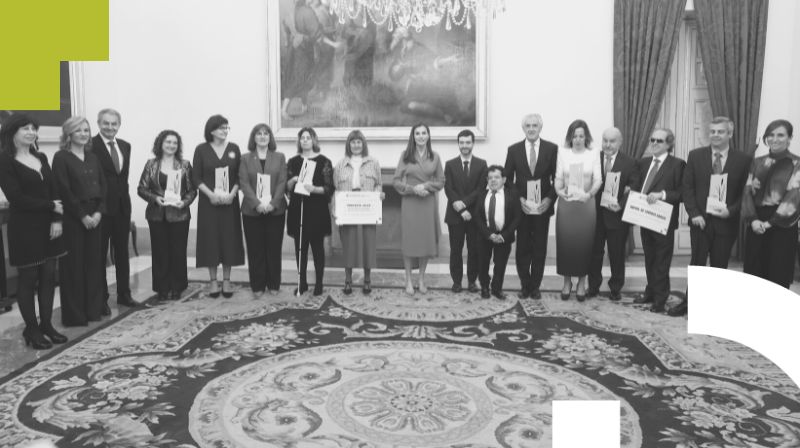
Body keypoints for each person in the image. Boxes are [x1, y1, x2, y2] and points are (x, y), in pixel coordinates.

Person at [672, 117, 751, 316]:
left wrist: (731, 211)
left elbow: (746, 192)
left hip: (725, 222)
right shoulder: (696, 155)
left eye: (720, 132)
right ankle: (689, 303)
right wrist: (694, 214)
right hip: (700, 222)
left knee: (719, 265)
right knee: (697, 264)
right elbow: (687, 187)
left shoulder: (743, 160)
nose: (715, 135)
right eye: (713, 131)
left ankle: (712, 311)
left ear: (730, 134)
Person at [0, 114, 67, 349]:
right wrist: (50, 206)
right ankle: (32, 329)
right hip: (25, 228)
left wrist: (57, 219)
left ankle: (47, 324)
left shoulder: (41, 156)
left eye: (33, 129)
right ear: (12, 132)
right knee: (29, 279)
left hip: (50, 227)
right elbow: (16, 198)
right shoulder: (5, 161)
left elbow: (54, 189)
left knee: (49, 277)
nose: (31, 132)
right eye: (25, 128)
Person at [52, 116, 107, 326]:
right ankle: (76, 316)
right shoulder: (61, 157)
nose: (84, 134)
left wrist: (99, 213)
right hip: (74, 218)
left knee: (93, 265)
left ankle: (93, 311)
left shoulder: (93, 157)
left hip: (96, 215)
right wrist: (82, 215)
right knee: (74, 267)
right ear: (69, 134)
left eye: (86, 130)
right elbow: (63, 190)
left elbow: (103, 187)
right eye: (79, 130)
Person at [137, 130, 197, 301]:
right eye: (168, 142)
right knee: (160, 252)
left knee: (178, 252)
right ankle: (162, 288)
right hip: (157, 215)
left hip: (179, 215)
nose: (171, 145)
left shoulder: (184, 165)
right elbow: (141, 189)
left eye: (174, 143)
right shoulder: (151, 164)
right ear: (160, 144)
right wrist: (155, 198)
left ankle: (177, 287)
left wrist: (184, 202)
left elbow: (192, 190)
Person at [503, 113, 558, 300]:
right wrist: (519, 200)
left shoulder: (552, 149)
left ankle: (535, 286)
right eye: (528, 125)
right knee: (522, 248)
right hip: (522, 209)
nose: (531, 128)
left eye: (535, 125)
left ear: (540, 128)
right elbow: (507, 180)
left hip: (542, 208)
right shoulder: (514, 150)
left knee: (540, 248)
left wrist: (549, 199)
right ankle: (525, 285)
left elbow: (557, 179)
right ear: (523, 128)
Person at [742, 119, 799, 289]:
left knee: (778, 273)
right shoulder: (757, 161)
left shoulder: (797, 163)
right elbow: (747, 191)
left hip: (782, 224)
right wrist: (752, 220)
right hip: (756, 221)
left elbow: (794, 196)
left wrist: (770, 223)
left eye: (780, 135)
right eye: (771, 135)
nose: (775, 139)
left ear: (790, 138)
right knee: (754, 272)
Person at [633, 128, 686, 313]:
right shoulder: (643, 163)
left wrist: (662, 194)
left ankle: (660, 299)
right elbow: (637, 187)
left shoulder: (677, 165)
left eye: (659, 141)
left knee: (661, 262)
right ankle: (650, 291)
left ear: (669, 144)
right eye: (652, 139)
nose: (654, 143)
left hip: (663, 221)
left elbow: (682, 193)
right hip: (645, 218)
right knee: (649, 259)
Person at [192, 115, 245, 298]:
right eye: (221, 127)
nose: (225, 130)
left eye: (226, 127)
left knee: (229, 239)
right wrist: (211, 195)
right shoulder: (201, 149)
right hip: (209, 203)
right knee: (211, 240)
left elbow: (240, 175)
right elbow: (196, 177)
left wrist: (232, 194)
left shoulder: (234, 149)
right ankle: (213, 281)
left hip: (230, 202)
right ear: (211, 130)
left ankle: (227, 281)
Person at [92, 108, 138, 312]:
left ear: (119, 125)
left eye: (114, 124)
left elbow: (122, 177)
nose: (110, 127)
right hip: (100, 208)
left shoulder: (125, 146)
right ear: (99, 123)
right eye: (106, 123)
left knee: (122, 253)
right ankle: (101, 298)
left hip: (121, 207)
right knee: (100, 255)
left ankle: (124, 294)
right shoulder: (89, 145)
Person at [588, 127, 639, 302]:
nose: (608, 145)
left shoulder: (630, 162)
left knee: (616, 254)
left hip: (617, 216)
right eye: (605, 140)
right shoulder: (594, 159)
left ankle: (616, 288)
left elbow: (634, 188)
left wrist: (622, 205)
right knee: (594, 253)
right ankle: (593, 286)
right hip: (594, 214)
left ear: (620, 142)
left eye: (612, 141)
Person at [394, 123, 445, 295]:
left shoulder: (435, 157)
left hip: (427, 203)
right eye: (418, 133)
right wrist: (412, 189)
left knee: (424, 242)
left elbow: (441, 181)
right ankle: (408, 280)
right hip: (410, 203)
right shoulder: (405, 155)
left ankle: (421, 279)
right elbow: (396, 181)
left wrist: (427, 185)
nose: (421, 136)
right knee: (410, 242)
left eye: (424, 133)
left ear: (428, 136)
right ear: (413, 136)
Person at [554, 120, 602, 301]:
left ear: (586, 137)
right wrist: (559, 191)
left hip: (585, 205)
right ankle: (567, 282)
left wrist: (588, 195)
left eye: (581, 136)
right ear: (570, 137)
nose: (578, 139)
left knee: (584, 245)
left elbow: (598, 180)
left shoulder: (593, 153)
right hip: (567, 205)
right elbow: (558, 178)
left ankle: (582, 283)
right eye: (574, 136)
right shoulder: (563, 153)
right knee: (566, 245)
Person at [239, 124, 287, 297]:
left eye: (266, 133)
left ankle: (274, 283)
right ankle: (257, 286)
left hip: (276, 211)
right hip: (252, 211)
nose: (262, 136)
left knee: (274, 248)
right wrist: (257, 203)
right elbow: (243, 183)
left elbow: (282, 181)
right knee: (255, 249)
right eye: (258, 134)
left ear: (270, 137)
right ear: (254, 138)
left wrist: (273, 203)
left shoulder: (279, 157)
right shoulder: (245, 158)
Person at [333, 130, 384, 294]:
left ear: (363, 144)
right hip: (347, 210)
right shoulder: (341, 164)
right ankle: (348, 280)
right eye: (353, 142)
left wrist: (378, 195)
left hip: (367, 209)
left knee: (367, 244)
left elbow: (379, 184)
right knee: (348, 245)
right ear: (349, 145)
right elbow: (336, 189)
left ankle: (367, 280)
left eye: (359, 142)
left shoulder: (373, 162)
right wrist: (336, 209)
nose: (356, 145)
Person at [286, 127, 334, 296]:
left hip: (317, 210)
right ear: (299, 142)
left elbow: (329, 189)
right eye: (302, 138)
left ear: (314, 140)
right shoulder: (292, 161)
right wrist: (292, 181)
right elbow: (286, 188)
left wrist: (314, 189)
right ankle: (302, 283)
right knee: (301, 248)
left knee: (317, 249)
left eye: (308, 137)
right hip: (298, 209)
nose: (305, 140)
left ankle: (319, 283)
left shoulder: (324, 161)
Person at [444, 129, 487, 293]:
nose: (464, 146)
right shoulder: (450, 164)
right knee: (455, 250)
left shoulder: (482, 164)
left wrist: (464, 204)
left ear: (473, 143)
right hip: (455, 215)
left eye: (468, 142)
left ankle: (471, 281)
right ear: (458, 144)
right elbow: (449, 189)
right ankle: (456, 282)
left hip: (474, 215)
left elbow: (480, 189)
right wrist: (460, 208)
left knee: (474, 250)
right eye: (461, 142)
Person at [474, 165, 521, 300]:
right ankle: (484, 287)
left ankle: (496, 289)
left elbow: (517, 217)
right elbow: (477, 216)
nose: (493, 180)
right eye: (490, 178)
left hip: (503, 237)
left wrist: (503, 235)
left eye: (497, 177)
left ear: (504, 179)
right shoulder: (481, 194)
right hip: (485, 236)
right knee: (483, 263)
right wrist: (488, 234)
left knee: (500, 265)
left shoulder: (512, 195)